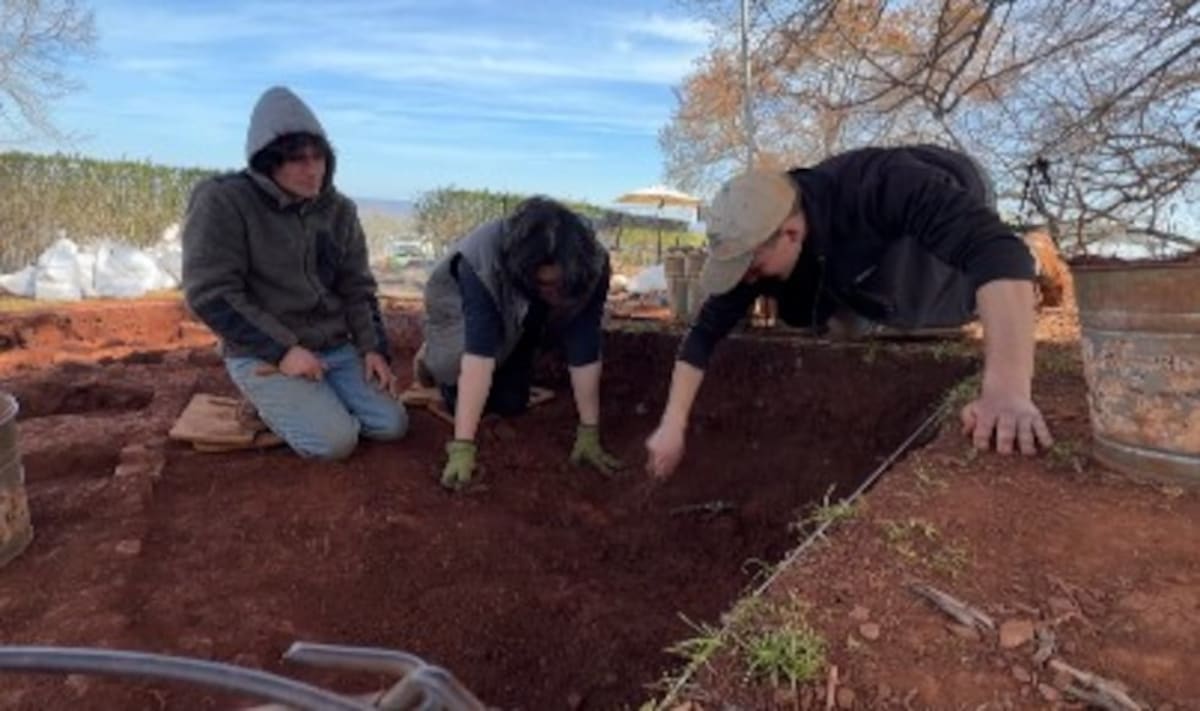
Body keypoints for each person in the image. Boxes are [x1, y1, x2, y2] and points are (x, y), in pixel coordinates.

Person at [645, 144, 1054, 479]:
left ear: (791, 233)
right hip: (847, 255)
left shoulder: (877, 186)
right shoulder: (758, 241)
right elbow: (702, 335)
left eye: (751, 268)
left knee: (922, 312)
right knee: (842, 318)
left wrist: (1007, 391)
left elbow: (996, 251)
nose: (747, 280)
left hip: (958, 186)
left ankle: (1039, 261)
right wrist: (672, 425)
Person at [182, 86, 407, 460]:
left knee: (391, 425)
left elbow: (357, 287)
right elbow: (211, 293)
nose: (313, 169)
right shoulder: (223, 200)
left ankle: (311, 401)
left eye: (319, 157)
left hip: (332, 343)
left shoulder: (339, 210)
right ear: (269, 162)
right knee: (335, 443)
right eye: (298, 160)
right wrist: (282, 351)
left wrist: (373, 349)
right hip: (264, 349)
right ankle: (266, 402)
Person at [418, 197, 621, 490]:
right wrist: (462, 446)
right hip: (462, 310)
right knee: (456, 372)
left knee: (511, 403)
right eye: (545, 285)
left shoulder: (591, 262)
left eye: (558, 284)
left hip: (522, 309)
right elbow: (479, 353)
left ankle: (509, 358)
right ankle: (430, 356)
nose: (553, 293)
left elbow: (585, 341)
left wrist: (589, 430)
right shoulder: (481, 257)